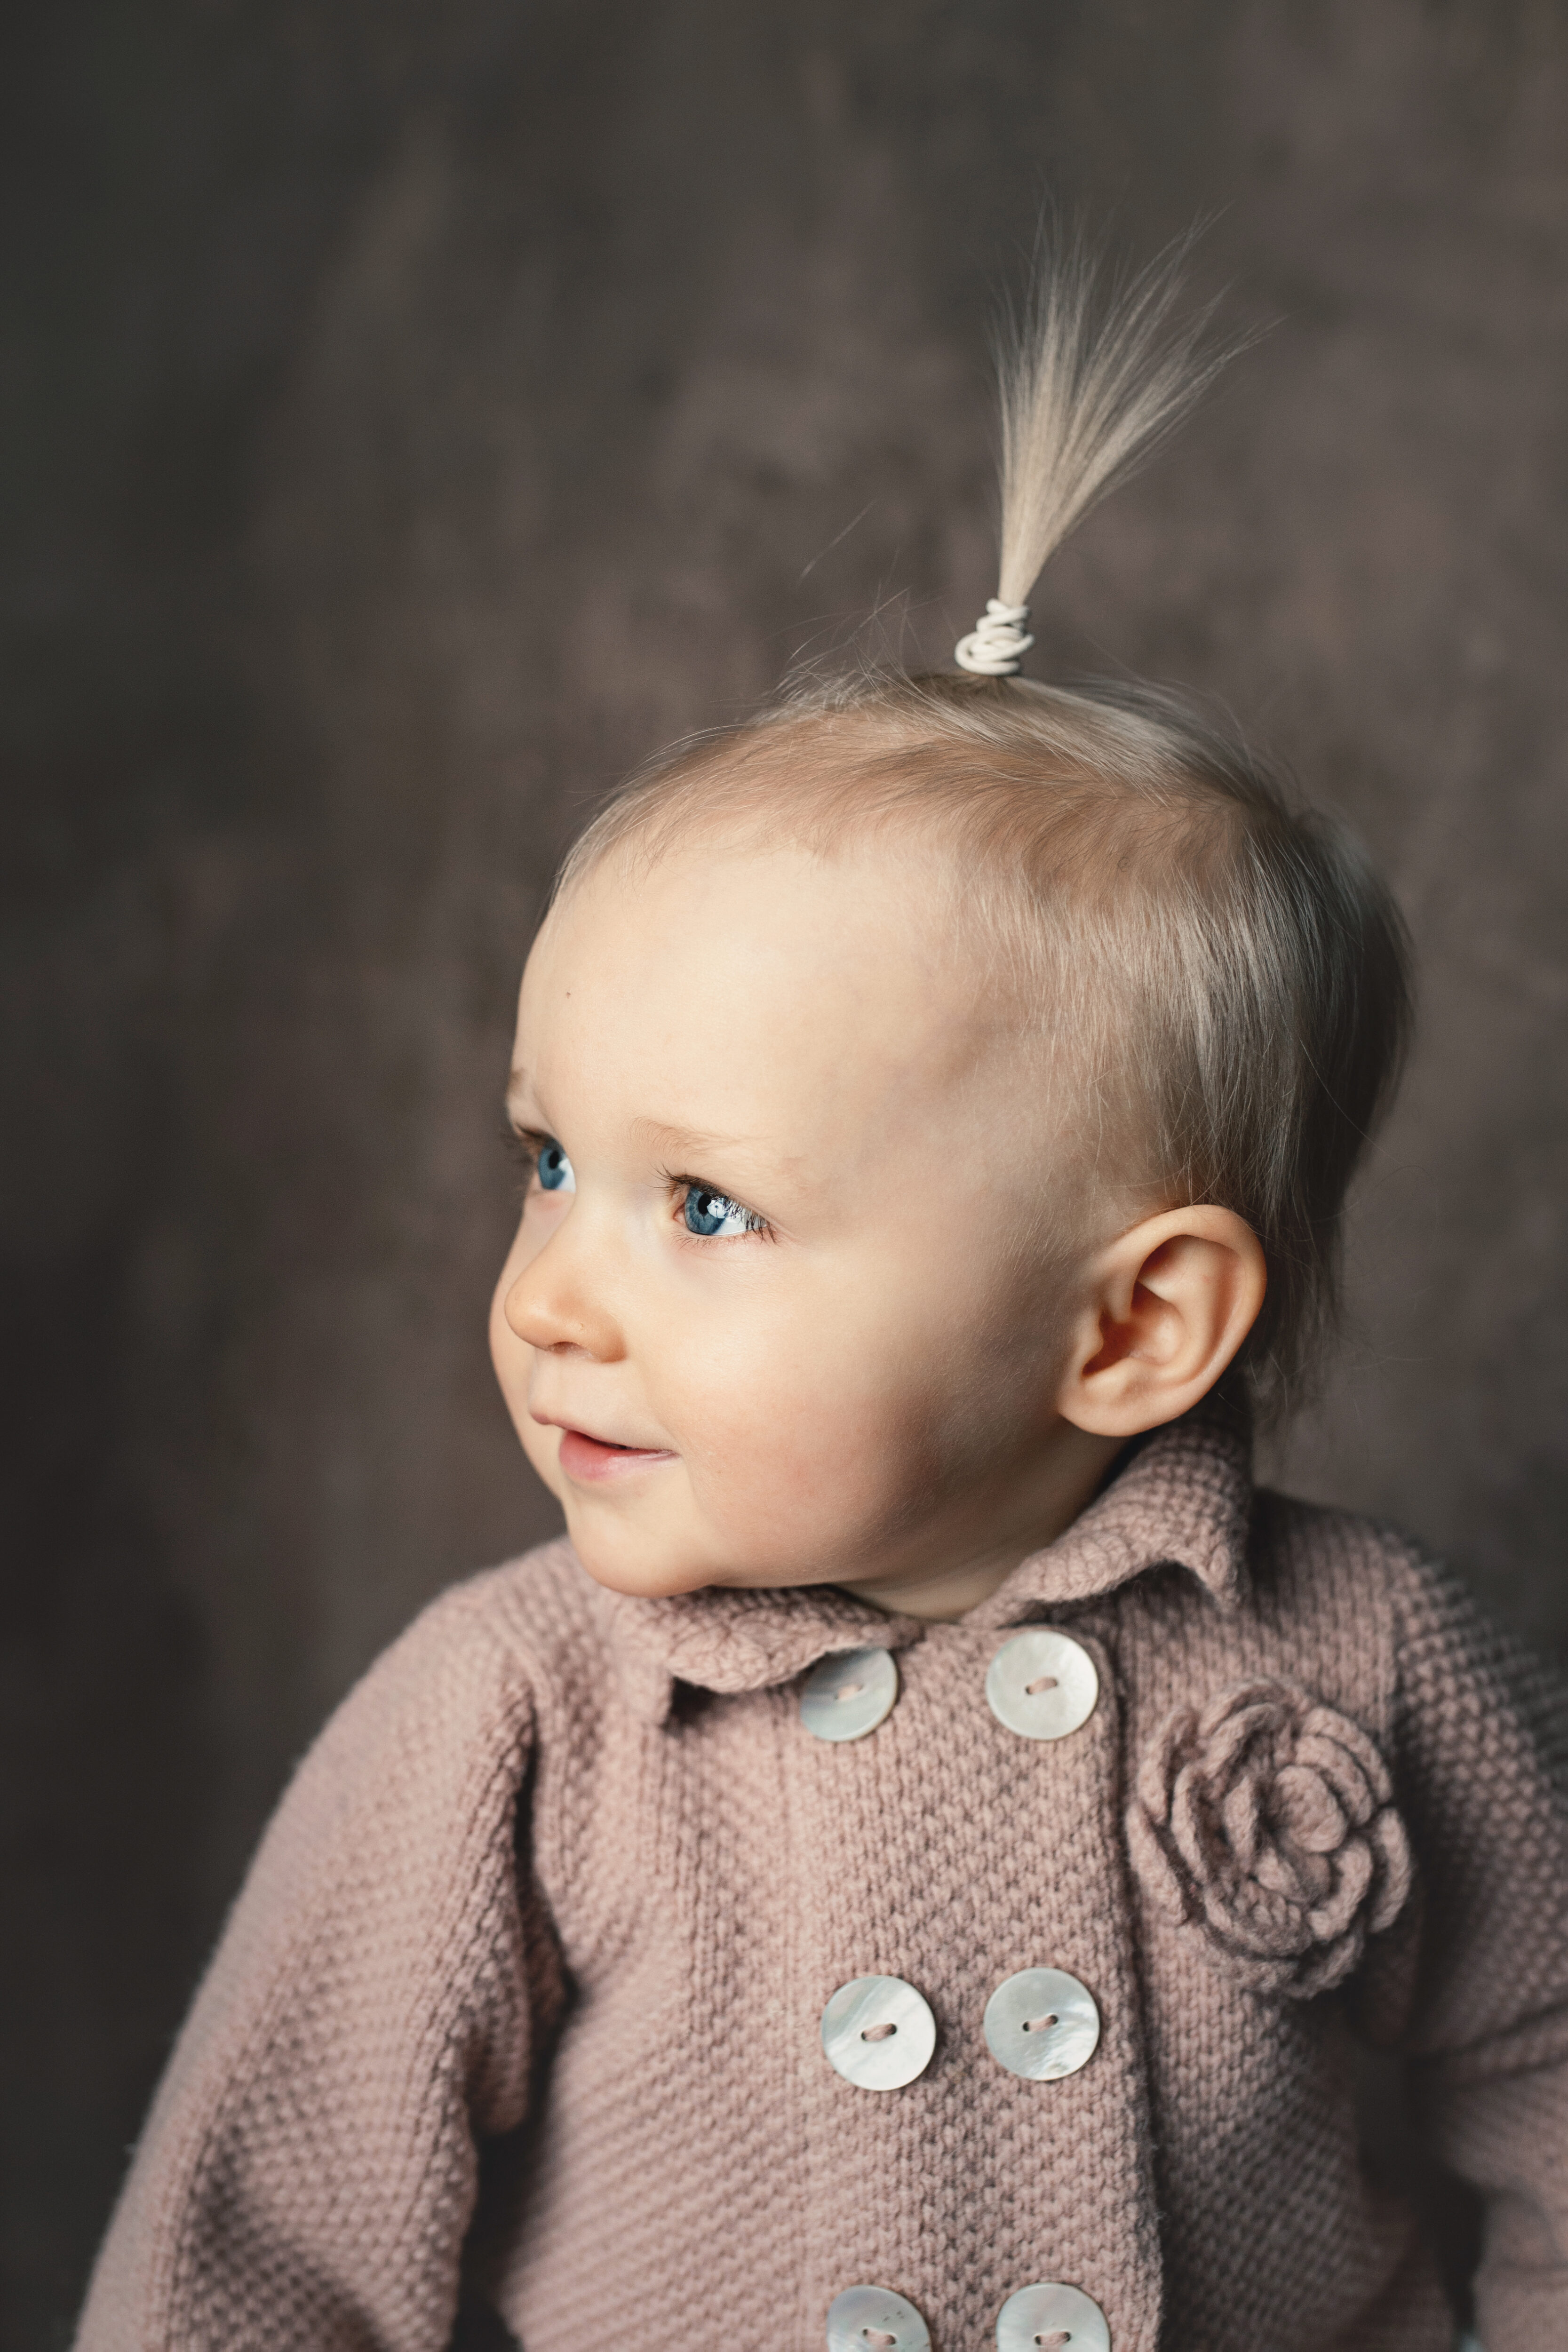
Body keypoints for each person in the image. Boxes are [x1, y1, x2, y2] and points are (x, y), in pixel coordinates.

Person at [75, 234, 1566, 2352]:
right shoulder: (517, 1716)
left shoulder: (1374, 1659)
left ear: (1131, 1328)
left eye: (705, 1206)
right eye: (551, 1162)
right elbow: (257, 2251)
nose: (554, 1294)